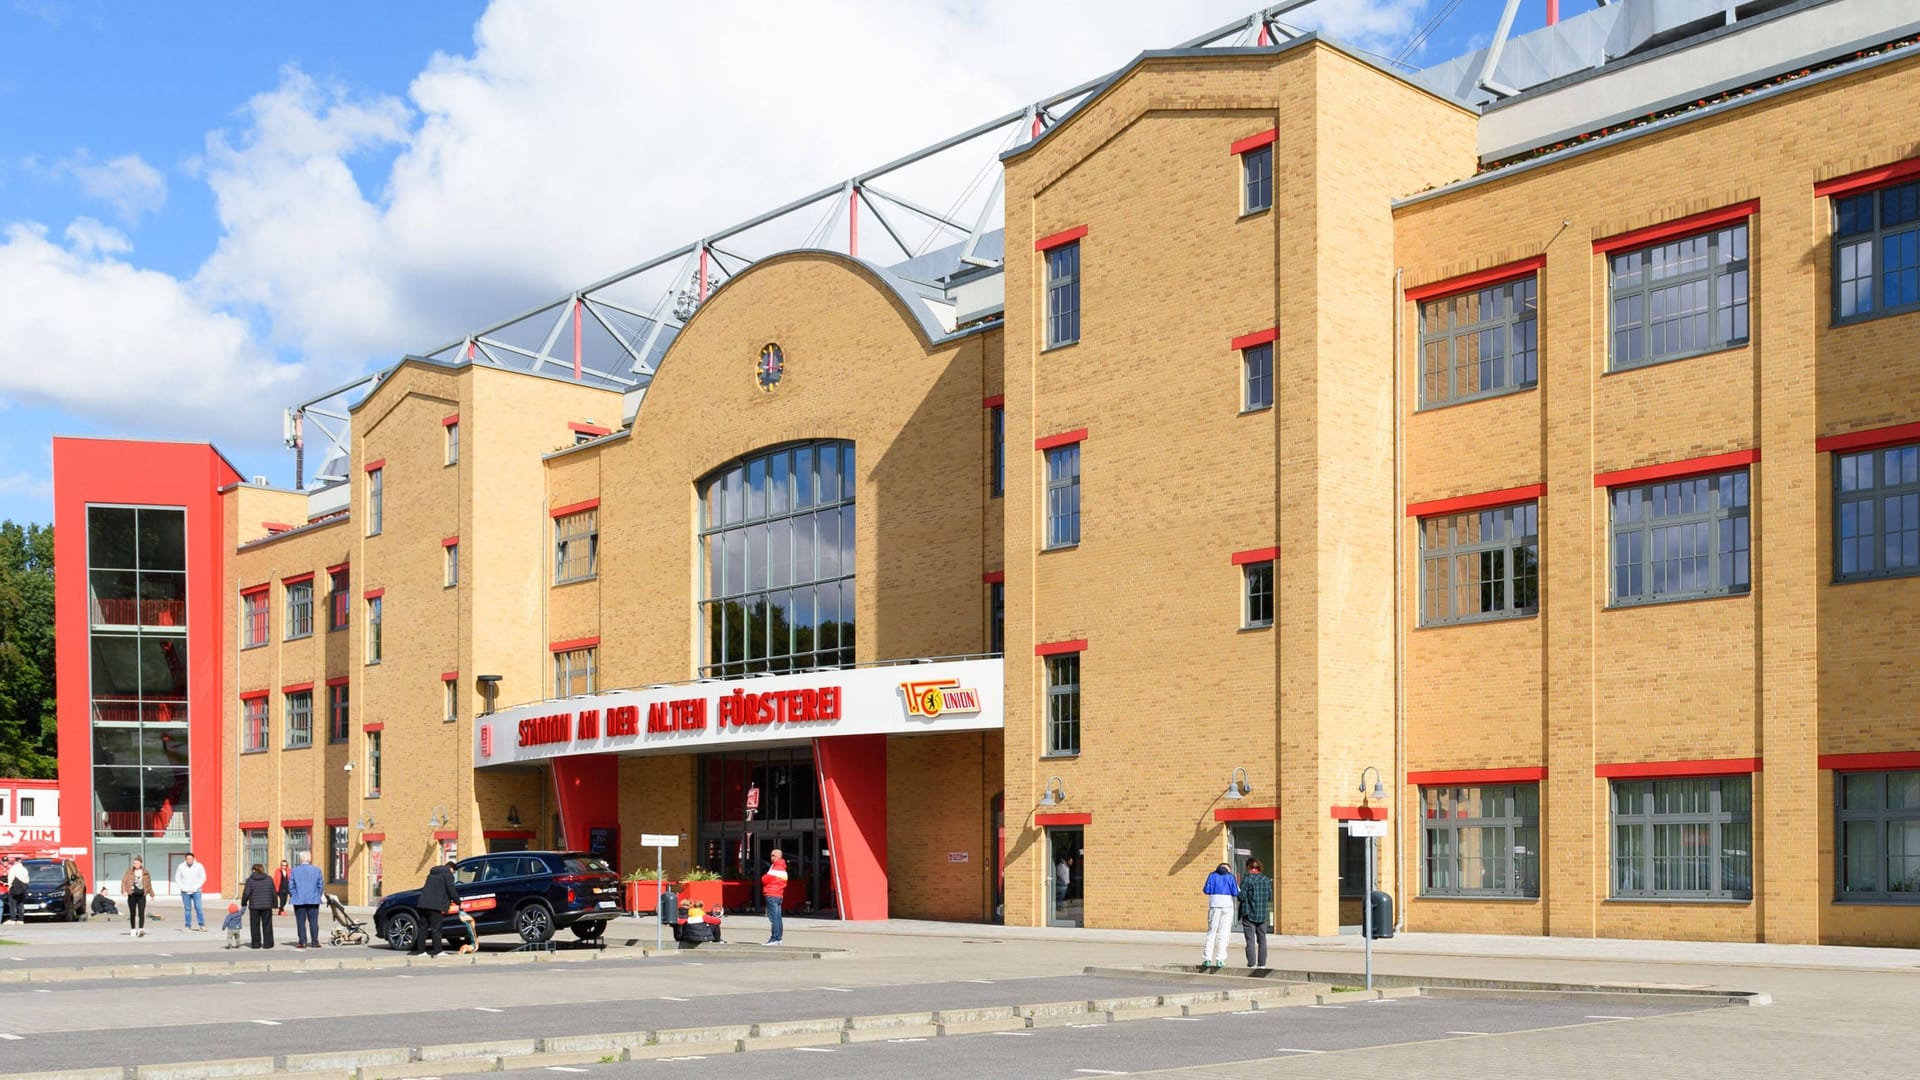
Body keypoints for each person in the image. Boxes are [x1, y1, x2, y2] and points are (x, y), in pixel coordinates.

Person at [411, 860, 458, 958]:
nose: (453, 874)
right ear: (451, 868)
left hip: (423, 904)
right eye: (453, 872)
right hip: (435, 906)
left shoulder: (432, 875)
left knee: (423, 928)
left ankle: (420, 952)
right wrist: (459, 902)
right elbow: (451, 890)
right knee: (436, 929)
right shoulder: (447, 875)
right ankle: (438, 951)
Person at [1201, 861, 1239, 970]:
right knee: (1224, 933)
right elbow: (1235, 892)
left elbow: (1206, 890)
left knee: (1211, 932)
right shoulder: (1230, 876)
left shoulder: (1212, 875)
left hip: (1214, 904)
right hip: (1227, 905)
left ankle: (1207, 958)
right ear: (1228, 869)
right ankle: (1220, 959)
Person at [1238, 858, 1274, 969]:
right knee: (1262, 940)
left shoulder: (1247, 879)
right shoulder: (1265, 879)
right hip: (1262, 913)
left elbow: (1241, 896)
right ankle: (1262, 964)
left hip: (1249, 913)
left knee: (1250, 940)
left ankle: (1251, 963)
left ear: (1249, 867)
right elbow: (1269, 896)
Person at [288, 851, 324, 949]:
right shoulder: (317, 870)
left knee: (300, 922)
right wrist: (317, 895)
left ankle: (302, 941)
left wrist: (294, 895)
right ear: (310, 859)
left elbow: (291, 886)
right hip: (313, 899)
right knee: (313, 922)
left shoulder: (294, 870)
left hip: (299, 900)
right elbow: (320, 886)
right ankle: (315, 941)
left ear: (300, 859)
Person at [241, 863, 277, 948]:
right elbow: (273, 893)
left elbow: (246, 893)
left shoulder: (250, 880)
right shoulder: (269, 879)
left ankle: (256, 944)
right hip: (267, 905)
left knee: (254, 926)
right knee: (267, 925)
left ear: (254, 870)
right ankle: (268, 944)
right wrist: (275, 904)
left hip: (254, 906)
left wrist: (244, 903)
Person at [174, 851, 207, 932]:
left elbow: (203, 877)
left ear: (193, 859)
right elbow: (177, 877)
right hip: (185, 892)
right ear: (185, 859)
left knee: (198, 908)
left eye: (191, 859)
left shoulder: (199, 866)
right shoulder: (181, 866)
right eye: (188, 859)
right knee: (187, 909)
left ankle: (202, 925)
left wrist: (197, 887)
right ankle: (188, 926)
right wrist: (182, 887)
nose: (189, 860)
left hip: (196, 891)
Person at [760, 848, 787, 946]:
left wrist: (764, 877)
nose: (771, 857)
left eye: (773, 855)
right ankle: (778, 938)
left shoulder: (777, 867)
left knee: (774, 918)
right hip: (778, 894)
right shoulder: (782, 866)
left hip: (772, 894)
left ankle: (774, 938)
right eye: (771, 855)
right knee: (778, 917)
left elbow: (765, 879)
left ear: (778, 856)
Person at [121, 856, 152, 937]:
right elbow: (124, 881)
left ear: (141, 863)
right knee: (132, 913)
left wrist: (152, 894)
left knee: (141, 912)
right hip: (132, 895)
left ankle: (141, 929)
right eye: (134, 863)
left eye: (137, 863)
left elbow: (149, 884)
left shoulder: (145, 872)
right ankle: (133, 929)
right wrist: (124, 891)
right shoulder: (129, 872)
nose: (135, 865)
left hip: (141, 895)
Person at [6, 857, 30, 924]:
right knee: (21, 904)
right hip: (23, 888)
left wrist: (9, 886)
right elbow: (27, 879)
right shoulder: (24, 869)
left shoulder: (13, 868)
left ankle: (13, 919)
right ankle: (20, 919)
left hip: (15, 888)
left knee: (12, 904)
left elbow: (11, 878)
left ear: (15, 862)